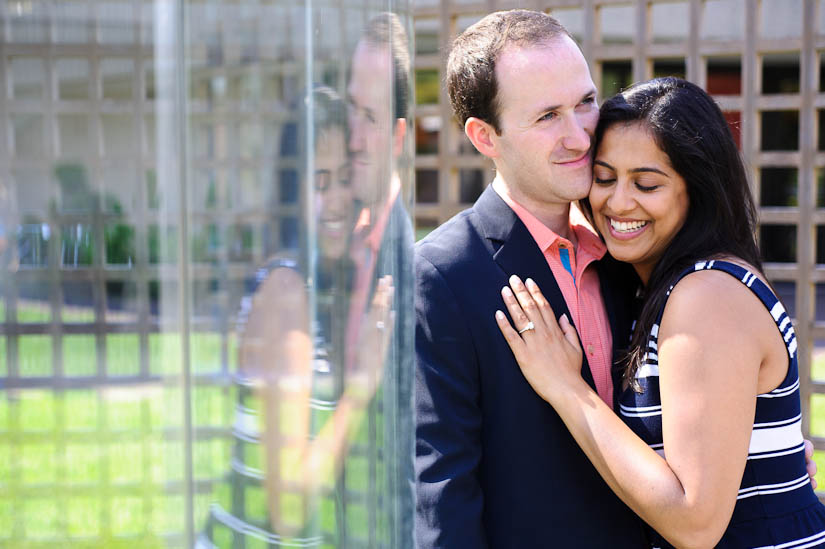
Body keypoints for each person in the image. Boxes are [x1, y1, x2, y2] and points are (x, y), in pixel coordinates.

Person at [495, 77, 825, 548]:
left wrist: (566, 387)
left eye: (647, 184)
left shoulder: (705, 296)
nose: (618, 202)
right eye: (604, 178)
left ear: (698, 188)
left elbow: (695, 524)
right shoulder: (656, 288)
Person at [415, 10, 647, 547]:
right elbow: (441, 497)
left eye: (585, 102)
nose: (580, 136)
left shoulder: (627, 247)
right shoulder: (440, 275)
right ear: (484, 136)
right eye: (547, 117)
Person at [197, 86, 394, 548]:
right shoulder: (287, 292)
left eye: (346, 178)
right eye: (319, 182)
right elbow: (287, 510)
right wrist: (361, 387)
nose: (339, 200)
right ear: (292, 191)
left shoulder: (322, 286)